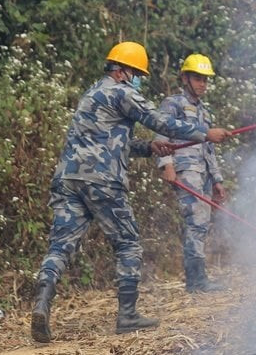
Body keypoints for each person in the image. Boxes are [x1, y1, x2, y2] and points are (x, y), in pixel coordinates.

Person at [31, 42, 230, 342]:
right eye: (137, 74)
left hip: (69, 180)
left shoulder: (91, 94)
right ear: (124, 72)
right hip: (102, 181)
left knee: (60, 246)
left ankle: (42, 304)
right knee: (128, 244)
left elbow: (110, 140)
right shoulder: (122, 92)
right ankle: (127, 315)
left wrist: (149, 147)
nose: (139, 80)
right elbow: (159, 121)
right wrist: (205, 134)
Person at [155, 53, 228, 293]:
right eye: (198, 78)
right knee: (196, 220)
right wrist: (167, 165)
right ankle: (196, 282)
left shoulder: (205, 112)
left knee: (202, 222)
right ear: (185, 77)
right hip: (186, 170)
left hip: (204, 173)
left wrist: (217, 180)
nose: (202, 84)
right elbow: (161, 136)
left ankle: (197, 279)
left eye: (206, 80)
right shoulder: (172, 103)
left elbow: (209, 148)